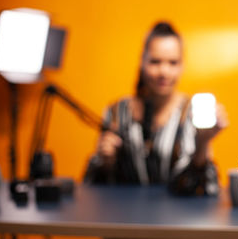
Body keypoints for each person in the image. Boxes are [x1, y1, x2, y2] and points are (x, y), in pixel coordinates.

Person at [84, 22, 228, 196]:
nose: (164, 71)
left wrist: (202, 143)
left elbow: (206, 190)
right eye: (155, 61)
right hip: (125, 217)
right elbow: (92, 189)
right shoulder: (116, 112)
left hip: (179, 218)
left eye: (173, 62)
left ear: (182, 65)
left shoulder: (191, 113)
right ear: (142, 62)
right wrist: (106, 161)